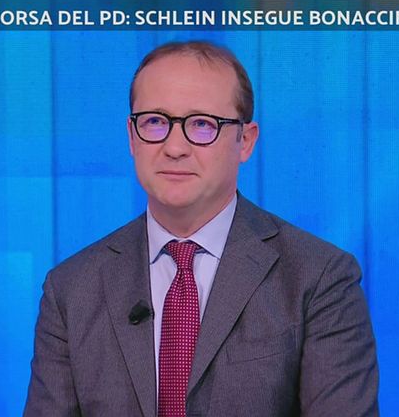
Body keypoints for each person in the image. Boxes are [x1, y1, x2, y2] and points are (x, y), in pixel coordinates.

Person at [24, 41, 379, 417]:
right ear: (131, 136)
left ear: (245, 141)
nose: (175, 147)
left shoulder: (319, 278)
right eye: (155, 122)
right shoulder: (71, 289)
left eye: (202, 124)